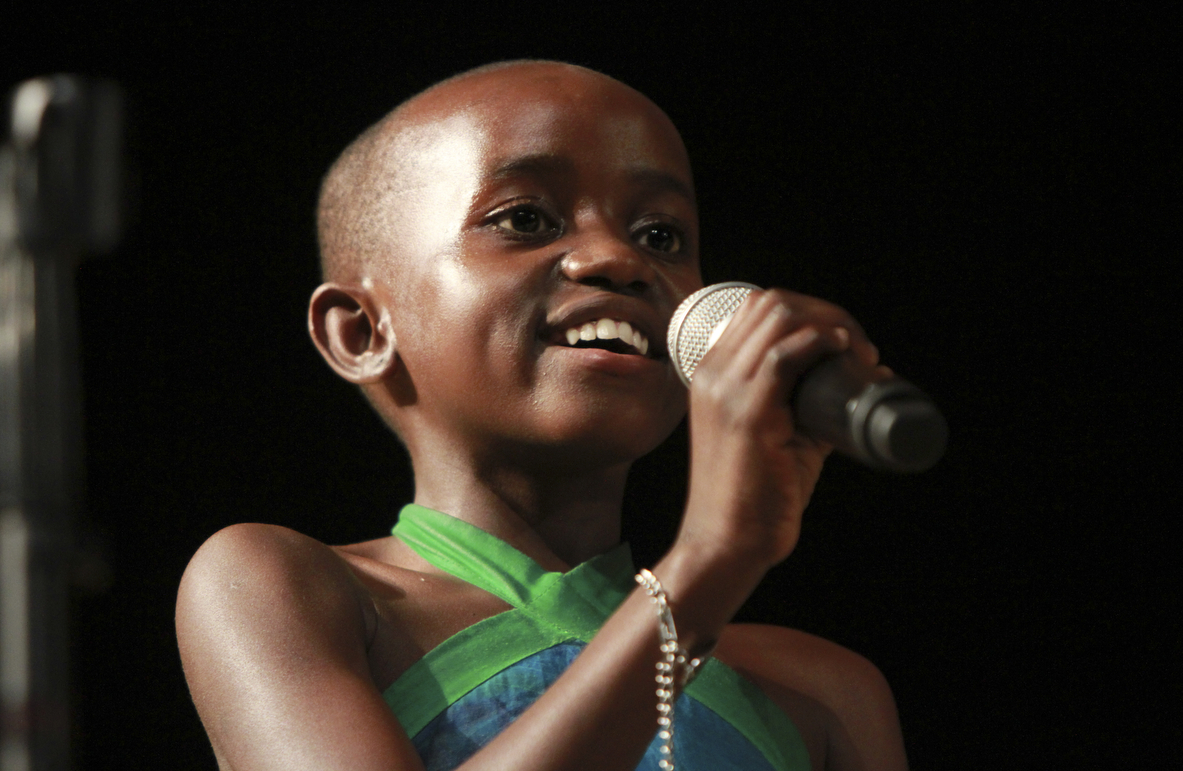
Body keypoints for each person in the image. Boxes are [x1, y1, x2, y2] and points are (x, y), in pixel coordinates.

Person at [175, 60, 909, 771]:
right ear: (362, 332)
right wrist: (708, 563)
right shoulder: (281, 588)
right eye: (524, 218)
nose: (617, 259)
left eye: (661, 235)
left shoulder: (824, 694)